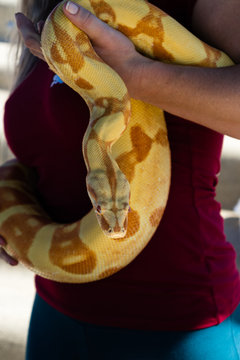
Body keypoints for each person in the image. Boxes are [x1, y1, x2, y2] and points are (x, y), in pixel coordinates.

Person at [1, 0, 240, 358]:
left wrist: (136, 76)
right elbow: (46, 153)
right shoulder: (56, 14)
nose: (116, 226)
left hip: (179, 325)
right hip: (56, 315)